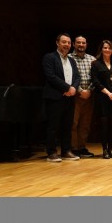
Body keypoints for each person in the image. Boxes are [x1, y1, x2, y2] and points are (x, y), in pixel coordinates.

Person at [42, 33, 81, 162]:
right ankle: (52, 152)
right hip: (55, 97)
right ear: (57, 43)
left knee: (67, 125)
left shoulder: (71, 60)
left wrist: (74, 88)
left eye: (69, 43)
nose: (67, 45)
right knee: (53, 126)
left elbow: (77, 77)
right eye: (64, 42)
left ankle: (66, 151)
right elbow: (51, 76)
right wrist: (67, 88)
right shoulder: (49, 57)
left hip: (70, 97)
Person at [91, 40, 112, 159]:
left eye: (109, 48)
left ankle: (111, 148)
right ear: (101, 49)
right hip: (102, 98)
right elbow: (95, 81)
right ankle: (104, 149)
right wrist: (108, 93)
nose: (107, 50)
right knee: (104, 124)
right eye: (105, 48)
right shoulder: (95, 64)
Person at [70, 35, 96, 158]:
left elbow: (95, 78)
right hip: (74, 95)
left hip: (89, 96)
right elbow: (68, 77)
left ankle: (81, 147)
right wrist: (80, 91)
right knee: (73, 123)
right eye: (78, 43)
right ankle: (73, 148)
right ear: (74, 44)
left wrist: (89, 90)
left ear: (86, 44)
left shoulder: (92, 59)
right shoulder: (68, 58)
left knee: (85, 124)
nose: (81, 45)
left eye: (83, 43)